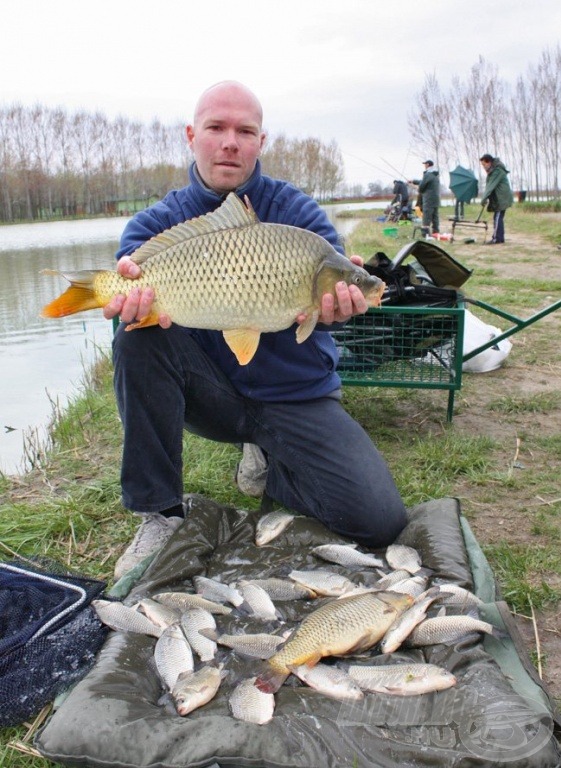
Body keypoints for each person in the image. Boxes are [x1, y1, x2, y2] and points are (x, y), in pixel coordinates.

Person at [103, 81, 407, 578]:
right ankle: (157, 511)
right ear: (191, 135)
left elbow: (336, 277)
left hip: (294, 395)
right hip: (211, 397)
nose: (230, 142)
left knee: (378, 522)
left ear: (261, 142)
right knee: (133, 332)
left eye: (245, 131)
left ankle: (274, 456)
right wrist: (125, 304)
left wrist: (338, 303)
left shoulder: (299, 217)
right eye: (216, 128)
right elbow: (128, 288)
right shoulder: (154, 225)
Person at [479, 154, 514, 244]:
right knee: (498, 218)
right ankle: (500, 238)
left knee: (497, 218)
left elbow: (490, 186)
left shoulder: (497, 171)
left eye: (484, 164)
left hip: (502, 198)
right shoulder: (494, 170)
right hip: (501, 198)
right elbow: (490, 185)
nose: (483, 167)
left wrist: (484, 198)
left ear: (489, 162)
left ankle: (496, 239)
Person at [408, 160, 441, 235]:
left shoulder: (428, 174)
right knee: (435, 216)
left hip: (428, 199)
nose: (424, 165)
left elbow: (422, 187)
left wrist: (415, 187)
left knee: (426, 216)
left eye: (425, 164)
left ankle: (425, 234)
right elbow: (423, 181)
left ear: (428, 164)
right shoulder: (435, 174)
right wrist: (413, 181)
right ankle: (436, 232)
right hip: (435, 199)